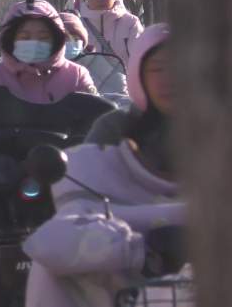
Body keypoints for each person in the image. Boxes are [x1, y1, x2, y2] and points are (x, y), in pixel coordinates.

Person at [23, 23, 186, 307]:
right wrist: (141, 245)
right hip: (132, 273)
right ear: (138, 75)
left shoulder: (222, 128)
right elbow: (80, 205)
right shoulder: (115, 128)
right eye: (158, 69)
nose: (170, 79)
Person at [0, 0, 97, 103]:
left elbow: (94, 119)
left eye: (43, 38)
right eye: (24, 37)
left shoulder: (76, 76)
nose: (34, 42)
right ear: (10, 39)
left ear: (56, 39)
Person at [78, 0, 144, 65]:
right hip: (85, 79)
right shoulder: (78, 25)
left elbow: (140, 58)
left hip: (123, 78)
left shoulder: (131, 23)